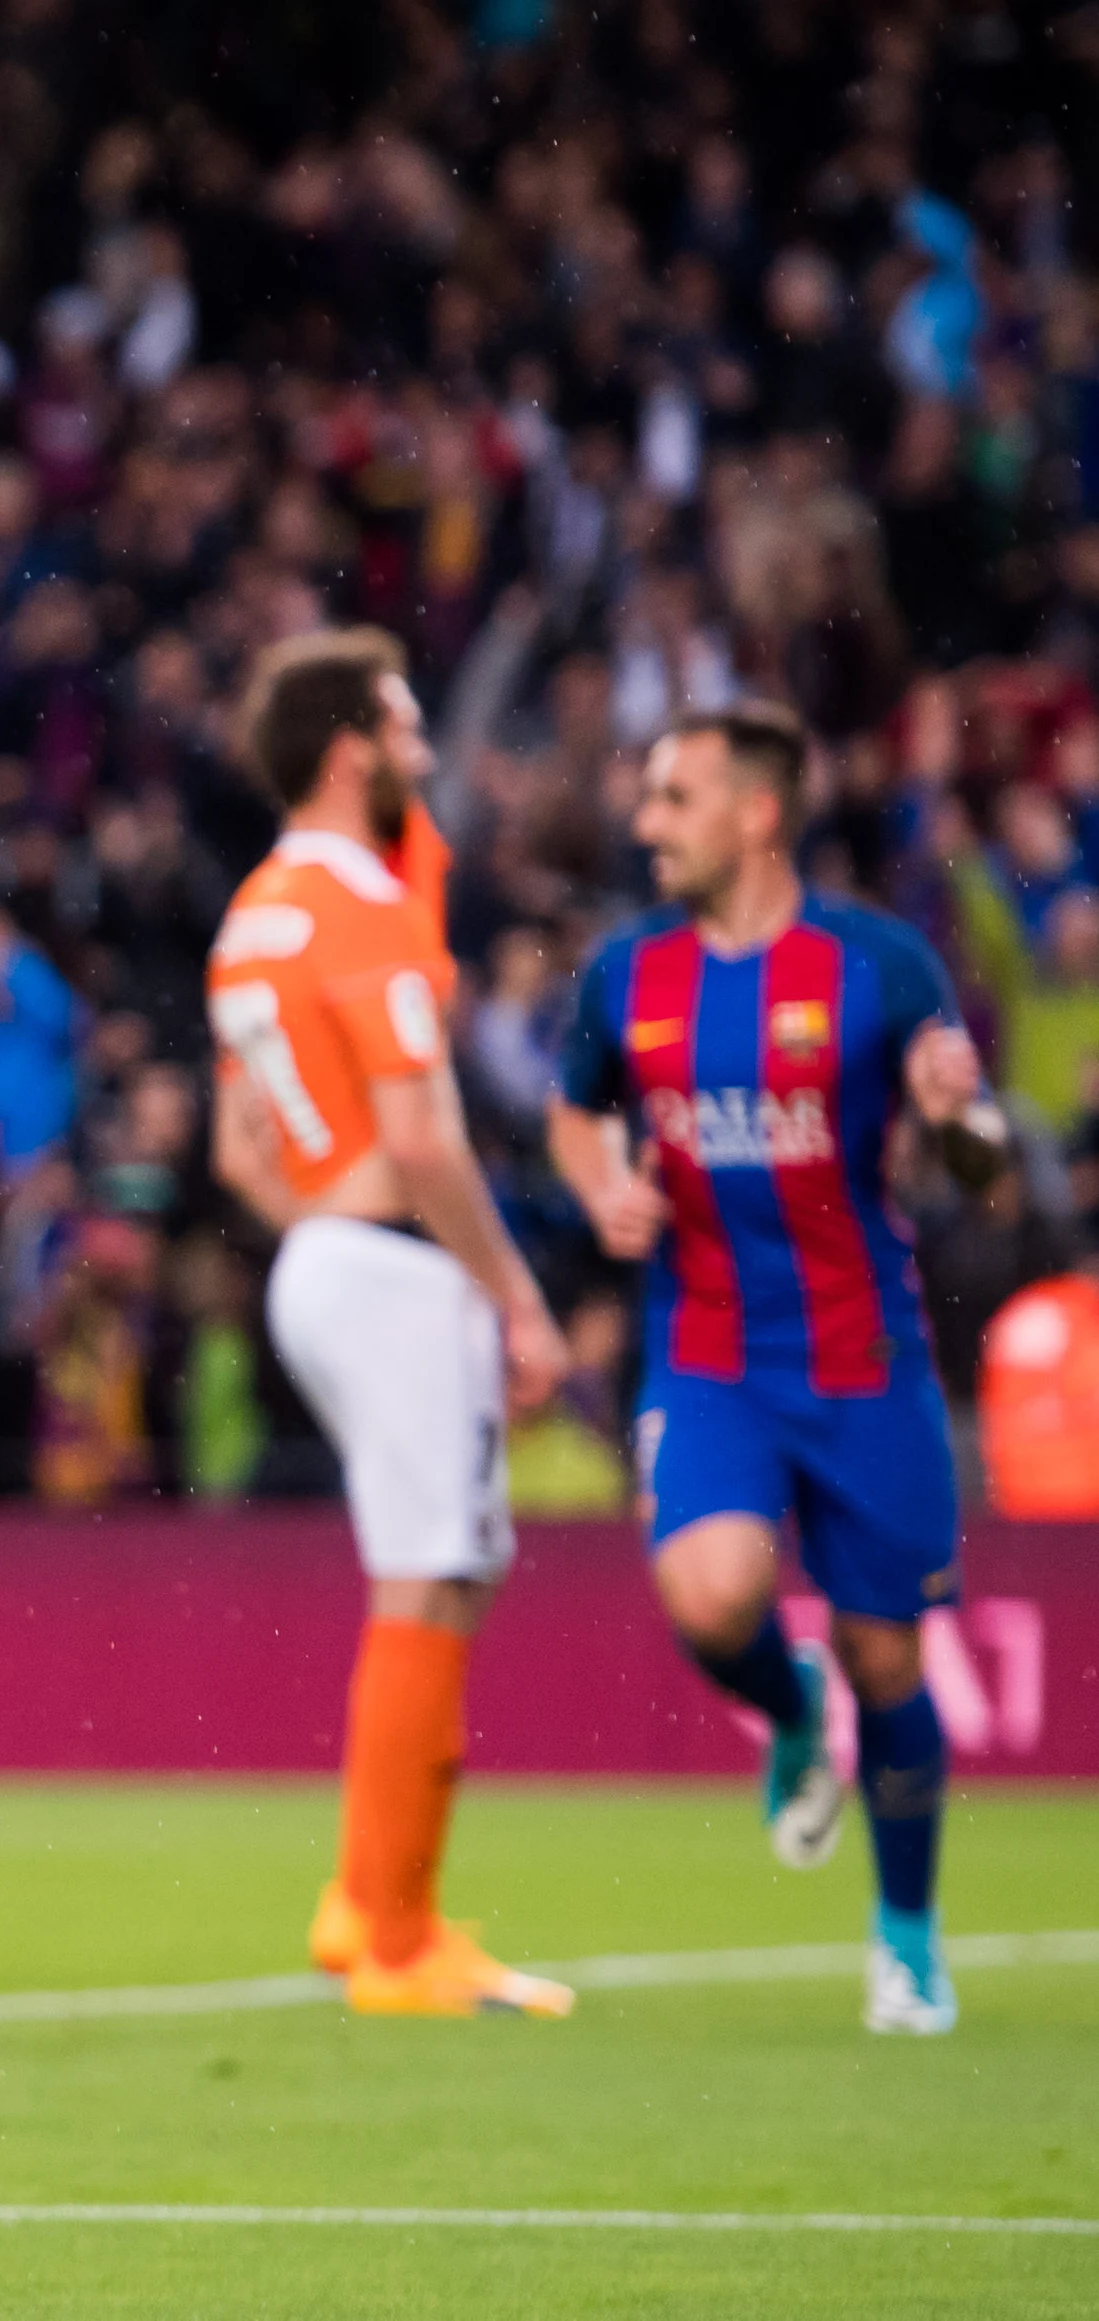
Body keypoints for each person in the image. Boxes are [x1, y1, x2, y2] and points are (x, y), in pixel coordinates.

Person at [546, 703, 1010, 2037]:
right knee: (707, 1599)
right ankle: (781, 1700)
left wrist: (952, 1125)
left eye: (672, 799)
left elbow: (978, 1158)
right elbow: (573, 1114)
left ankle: (906, 1940)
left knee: (886, 1658)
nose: (645, 825)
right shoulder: (621, 976)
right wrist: (597, 1192)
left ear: (755, 814)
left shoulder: (877, 966)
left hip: (862, 1362)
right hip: (705, 1357)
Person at [205, 627, 577, 2021]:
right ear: (354, 746)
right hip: (394, 1258)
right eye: (406, 729)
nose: (424, 754)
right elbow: (423, 1139)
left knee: (439, 1572)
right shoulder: (363, 907)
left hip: (313, 1249)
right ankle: (396, 1937)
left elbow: (238, 1150)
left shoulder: (255, 911)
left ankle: (365, 1901)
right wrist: (514, 1296)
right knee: (426, 1579)